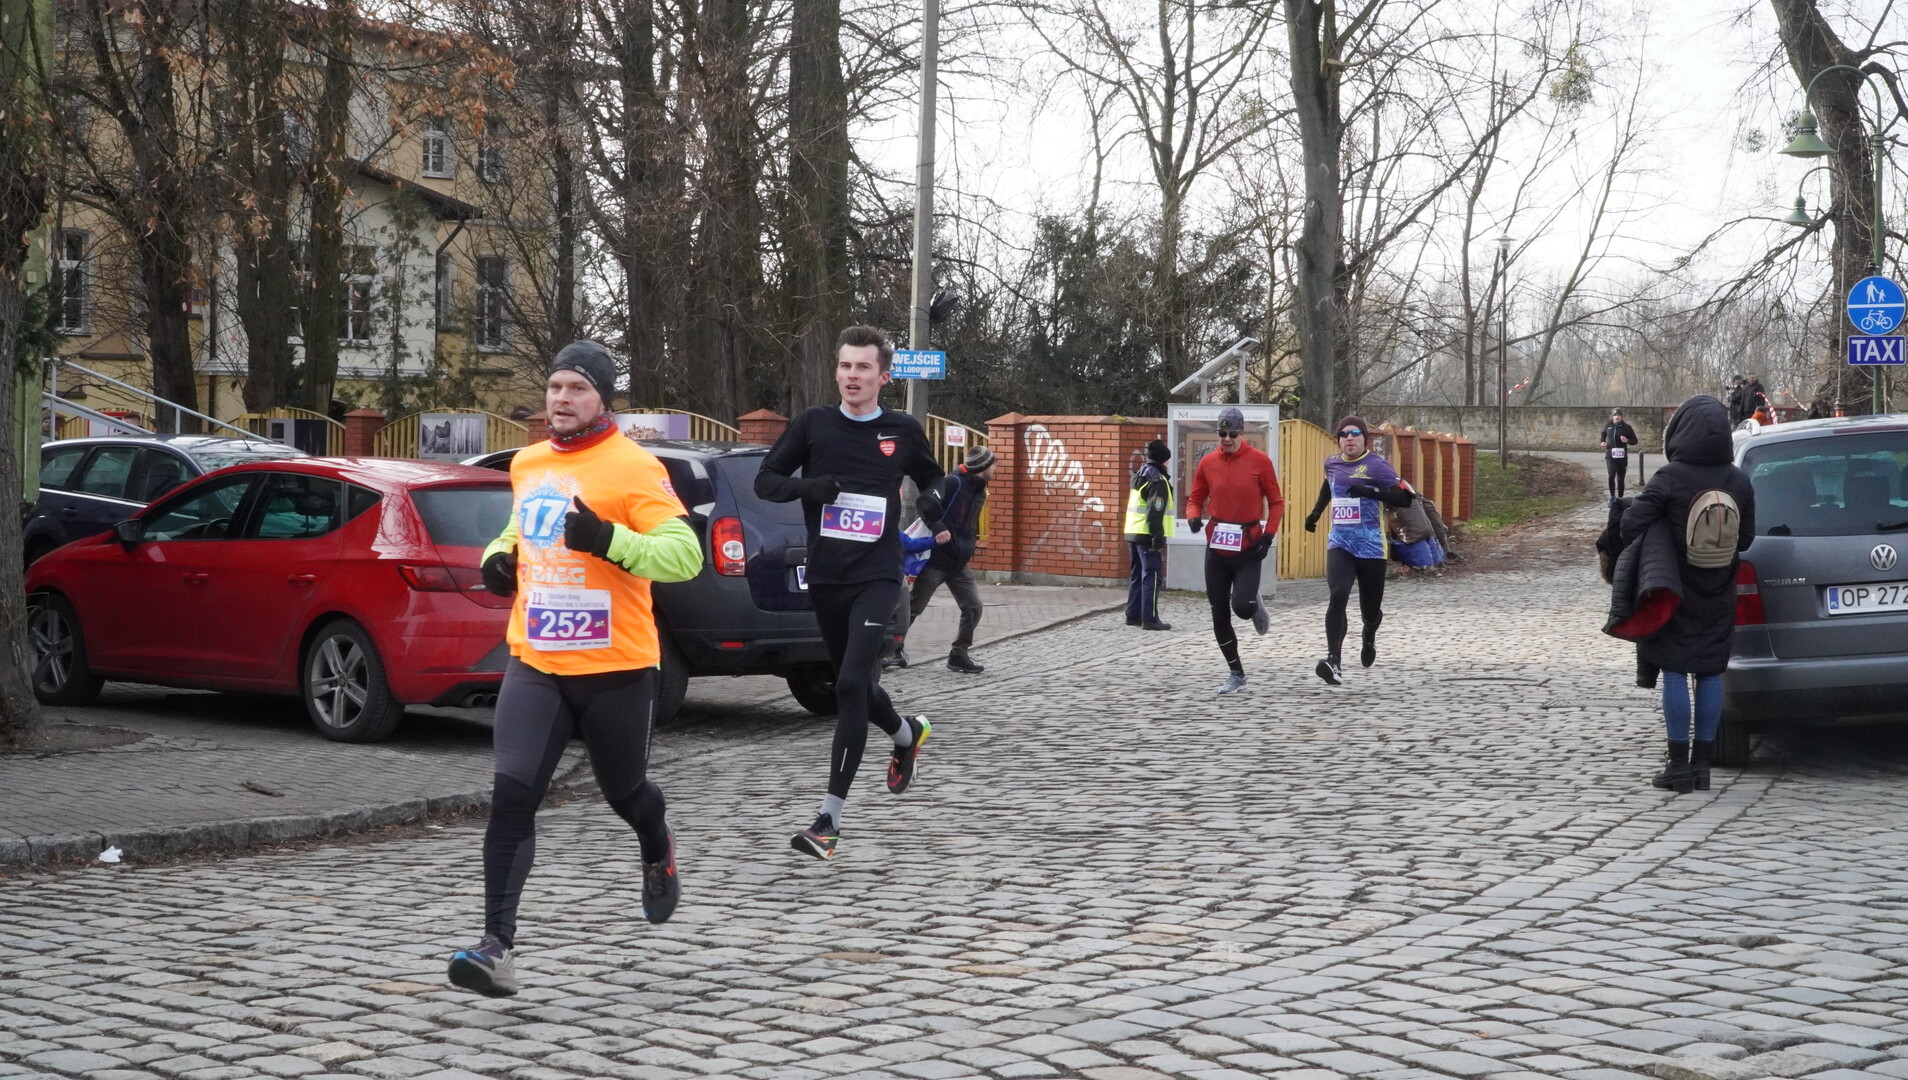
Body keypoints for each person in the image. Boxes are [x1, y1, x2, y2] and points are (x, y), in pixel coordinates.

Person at [447, 341, 705, 998]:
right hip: (536, 662)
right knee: (511, 798)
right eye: (556, 386)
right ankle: (496, 948)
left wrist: (608, 541)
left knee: (626, 793)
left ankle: (657, 843)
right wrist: (497, 558)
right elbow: (518, 530)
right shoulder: (528, 462)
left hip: (616, 667)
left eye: (578, 388)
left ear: (603, 400)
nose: (562, 399)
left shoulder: (635, 467)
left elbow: (684, 556)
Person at [757, 325, 948, 860]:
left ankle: (828, 822)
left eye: (863, 367)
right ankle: (906, 734)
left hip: (878, 574)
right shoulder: (813, 424)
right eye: (845, 366)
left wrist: (932, 501)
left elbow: (934, 478)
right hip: (826, 575)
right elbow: (766, 481)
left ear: (883, 377)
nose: (852, 376)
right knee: (855, 685)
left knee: (846, 686)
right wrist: (809, 488)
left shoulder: (901, 429)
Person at [1619, 395, 1754, 794]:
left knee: (1675, 670)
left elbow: (1630, 526)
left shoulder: (1669, 477)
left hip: (1675, 589)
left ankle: (1677, 765)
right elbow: (1746, 539)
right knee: (1710, 671)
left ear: (1680, 432)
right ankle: (1702, 767)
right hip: (1720, 590)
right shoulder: (1738, 481)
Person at [1304, 416, 1415, 685]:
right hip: (1340, 543)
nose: (1349, 438)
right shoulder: (1332, 463)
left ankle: (1369, 633)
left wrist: (1370, 491)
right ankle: (1333, 661)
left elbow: (1405, 498)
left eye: (1355, 433)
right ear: (1338, 439)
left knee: (1370, 610)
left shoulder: (1377, 465)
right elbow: (1328, 486)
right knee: (1338, 595)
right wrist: (1315, 514)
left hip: (1371, 547)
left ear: (1365, 438)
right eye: (1343, 434)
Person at [1185, 408, 1284, 695]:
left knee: (1241, 607)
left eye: (1232, 434)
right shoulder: (1208, 463)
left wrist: (1268, 535)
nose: (1227, 439)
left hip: (1248, 546)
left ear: (1242, 434)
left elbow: (1276, 502)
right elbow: (1195, 498)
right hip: (1217, 547)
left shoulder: (1260, 462)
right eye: (1222, 434)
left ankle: (1253, 604)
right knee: (1218, 611)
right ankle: (1236, 673)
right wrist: (1193, 517)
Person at [905, 446, 994, 673]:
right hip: (936, 560)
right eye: (993, 463)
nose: (996, 468)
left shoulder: (979, 489)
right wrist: (938, 528)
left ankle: (958, 654)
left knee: (973, 607)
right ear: (983, 466)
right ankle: (889, 649)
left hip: (959, 562)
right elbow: (924, 504)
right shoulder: (953, 483)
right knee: (913, 608)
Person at [1124, 439, 1174, 631]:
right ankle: (1150, 619)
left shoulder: (1140, 474)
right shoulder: (1157, 480)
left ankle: (1133, 614)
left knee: (1137, 575)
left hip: (1133, 531)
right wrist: (1157, 537)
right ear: (1163, 460)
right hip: (1147, 534)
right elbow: (1154, 512)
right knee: (1152, 576)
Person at [1599, 409, 1639, 502]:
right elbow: (1603, 434)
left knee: (1620, 478)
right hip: (1610, 455)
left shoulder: (1626, 427)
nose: (1617, 417)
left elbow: (1635, 440)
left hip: (1621, 456)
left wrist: (1627, 440)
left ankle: (1620, 499)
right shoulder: (1608, 426)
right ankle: (1612, 497)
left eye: (1618, 415)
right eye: (1615, 415)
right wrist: (1602, 442)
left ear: (1621, 416)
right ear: (1612, 416)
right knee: (1611, 476)